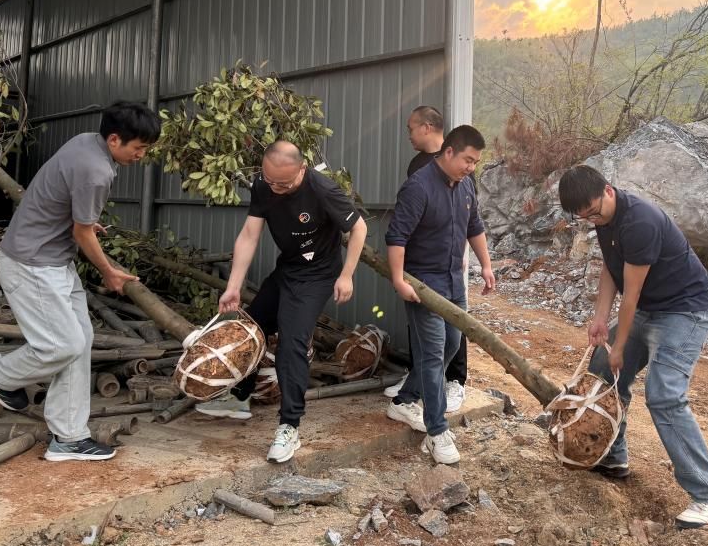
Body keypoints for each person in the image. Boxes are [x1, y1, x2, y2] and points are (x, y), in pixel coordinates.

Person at [0, 101, 160, 462]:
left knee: (81, 341)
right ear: (114, 139)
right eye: (138, 148)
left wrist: (83, 219)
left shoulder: (86, 141)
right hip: (31, 264)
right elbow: (81, 232)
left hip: (54, 261)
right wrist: (109, 271)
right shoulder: (97, 170)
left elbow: (62, 196)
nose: (141, 155)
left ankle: (69, 438)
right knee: (62, 345)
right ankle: (0, 374)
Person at [557, 164, 708, 530]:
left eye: (594, 212)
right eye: (584, 218)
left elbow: (631, 295)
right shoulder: (605, 220)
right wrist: (599, 319)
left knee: (664, 394)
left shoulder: (640, 222)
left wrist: (619, 345)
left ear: (608, 191)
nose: (592, 221)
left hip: (686, 311)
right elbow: (611, 270)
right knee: (602, 371)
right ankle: (613, 457)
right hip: (651, 309)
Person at [196, 141, 366, 464]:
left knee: (291, 343)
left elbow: (359, 228)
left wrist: (347, 275)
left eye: (284, 184)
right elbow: (250, 234)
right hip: (287, 270)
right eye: (271, 181)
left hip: (318, 276)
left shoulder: (323, 190)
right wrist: (233, 287)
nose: (276, 188)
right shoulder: (264, 185)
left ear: (302, 169)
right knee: (252, 326)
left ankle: (289, 426)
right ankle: (239, 398)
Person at [384, 125, 495, 464]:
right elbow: (397, 237)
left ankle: (404, 400)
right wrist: (399, 280)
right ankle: (436, 431)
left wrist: (486, 266)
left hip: (454, 282)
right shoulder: (418, 187)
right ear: (448, 152)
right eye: (467, 160)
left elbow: (474, 226)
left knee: (450, 346)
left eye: (475, 163)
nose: (470, 168)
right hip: (424, 286)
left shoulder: (466, 185)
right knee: (433, 355)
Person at [383, 106, 470, 412]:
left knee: (453, 333)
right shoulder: (417, 168)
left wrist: (461, 253)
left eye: (411, 128)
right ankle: (416, 385)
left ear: (427, 127)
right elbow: (405, 226)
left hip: (448, 267)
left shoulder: (461, 166)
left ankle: (455, 380)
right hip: (422, 269)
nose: (408, 134)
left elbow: (468, 216)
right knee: (427, 336)